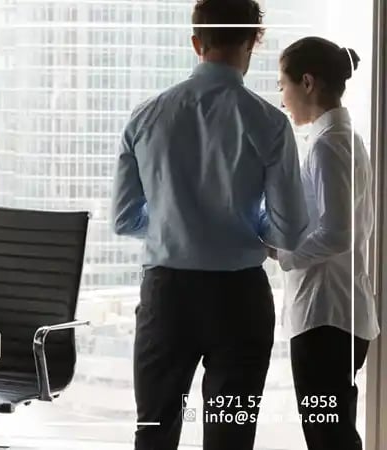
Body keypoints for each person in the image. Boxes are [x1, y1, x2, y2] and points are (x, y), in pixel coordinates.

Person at [111, 0, 310, 449]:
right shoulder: (271, 123)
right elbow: (289, 230)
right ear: (252, 42)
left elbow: (124, 219)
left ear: (196, 42)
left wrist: (174, 223)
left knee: (155, 431)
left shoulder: (145, 117)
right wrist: (244, 224)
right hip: (239, 299)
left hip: (167, 296)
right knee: (231, 438)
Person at [271, 36, 380, 450]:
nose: (282, 98)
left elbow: (338, 232)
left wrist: (282, 253)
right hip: (340, 313)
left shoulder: (328, 146)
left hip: (325, 317)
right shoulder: (343, 140)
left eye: (283, 85)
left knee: (326, 435)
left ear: (308, 82)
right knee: (332, 431)